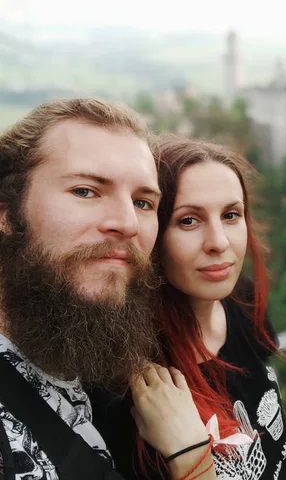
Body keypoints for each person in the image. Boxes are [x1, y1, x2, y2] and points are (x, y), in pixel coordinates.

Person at [0, 99, 216, 480]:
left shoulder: (85, 347)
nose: (128, 223)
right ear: (6, 214)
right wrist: (193, 463)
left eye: (143, 202)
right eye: (86, 191)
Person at [92, 134, 286, 480]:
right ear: (152, 233)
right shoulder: (126, 378)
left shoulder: (244, 303)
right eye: (189, 221)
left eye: (231, 215)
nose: (219, 243)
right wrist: (188, 457)